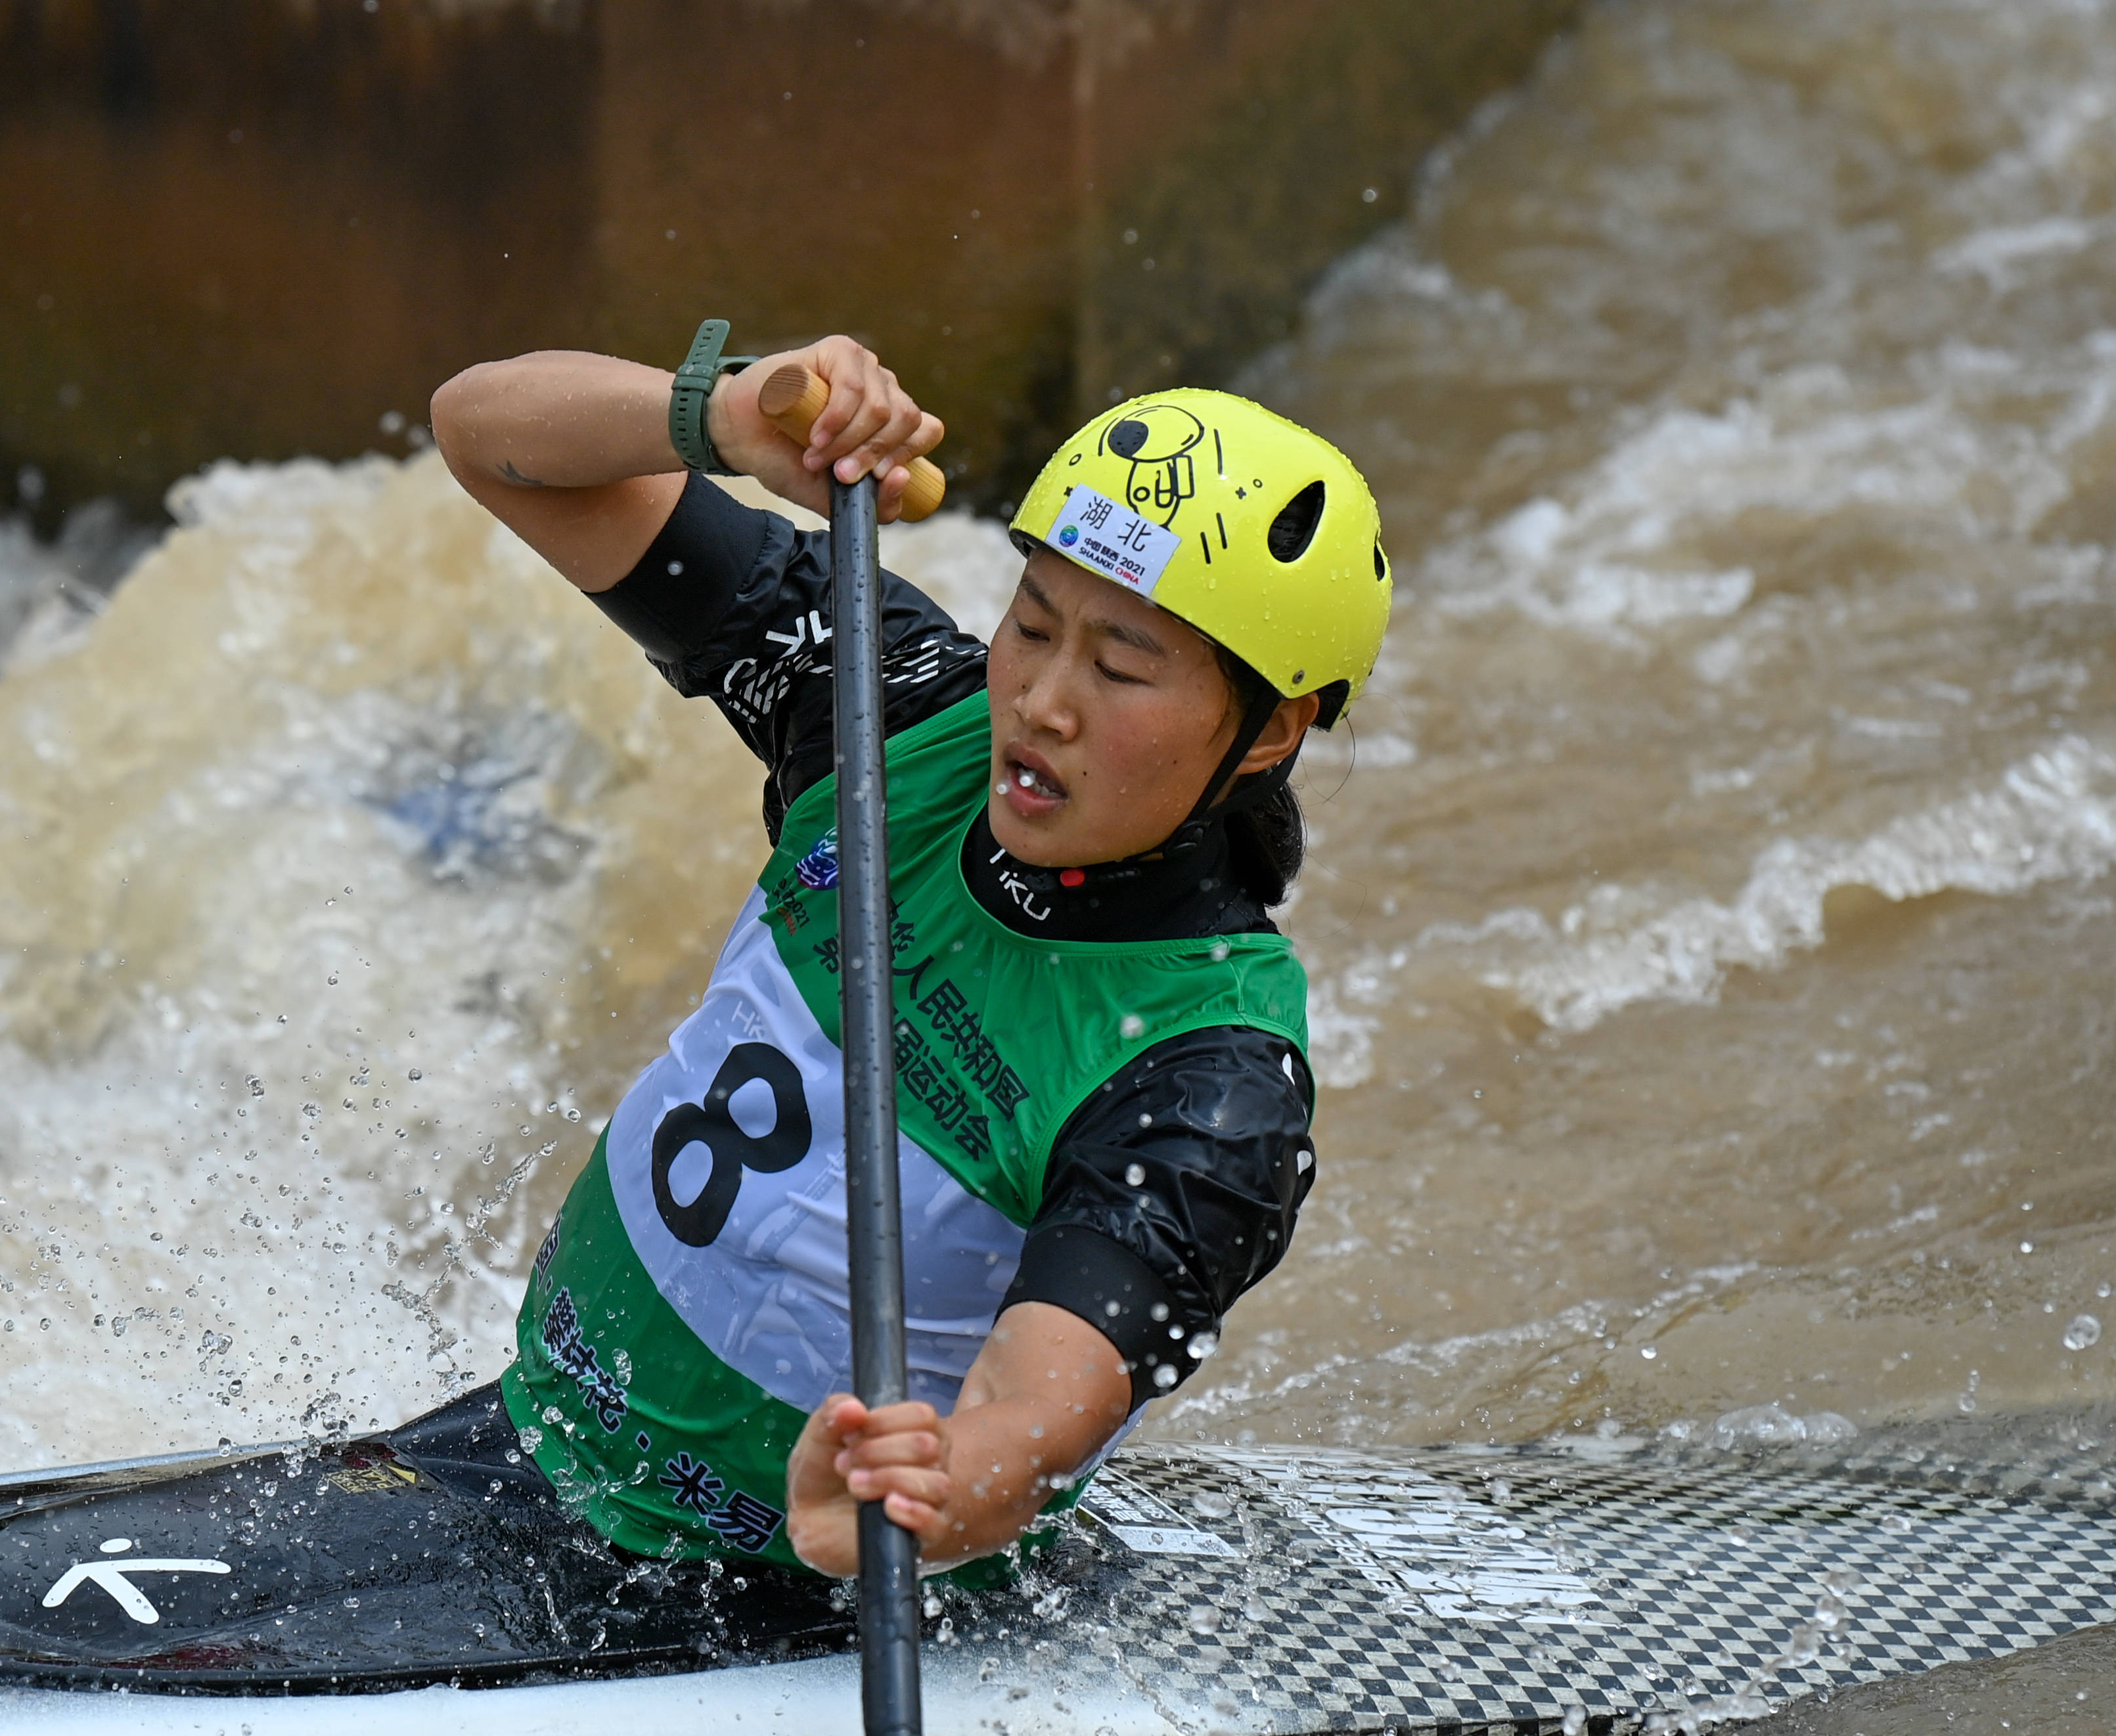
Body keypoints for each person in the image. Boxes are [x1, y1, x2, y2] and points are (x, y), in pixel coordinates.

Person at [393, 328, 1391, 1581]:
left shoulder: (1207, 1084)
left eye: (1122, 667)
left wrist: (919, 1500)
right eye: (1035, 626)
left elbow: (1034, 1420)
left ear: (1268, 732)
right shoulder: (892, 708)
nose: (1041, 702)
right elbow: (486, 431)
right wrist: (725, 417)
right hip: (532, 1445)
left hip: (772, 1595)